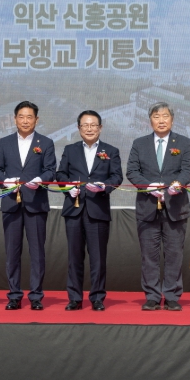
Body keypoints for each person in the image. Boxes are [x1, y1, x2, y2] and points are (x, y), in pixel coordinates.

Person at [126, 102, 190, 311]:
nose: (161, 120)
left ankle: (172, 295)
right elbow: (132, 171)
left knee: (174, 254)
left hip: (175, 207)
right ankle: (152, 296)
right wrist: (148, 186)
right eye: (156, 116)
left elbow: (187, 170)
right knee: (149, 255)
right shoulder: (140, 143)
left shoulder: (183, 142)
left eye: (165, 116)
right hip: (147, 207)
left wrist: (177, 184)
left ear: (172, 119)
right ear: (150, 121)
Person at [56, 110, 123, 311]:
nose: (89, 128)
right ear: (79, 128)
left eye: (93, 125)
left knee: (98, 258)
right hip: (74, 209)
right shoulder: (70, 149)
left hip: (98, 209)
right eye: (85, 125)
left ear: (100, 128)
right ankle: (75, 298)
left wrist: (104, 186)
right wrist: (68, 187)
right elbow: (61, 174)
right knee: (74, 257)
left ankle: (97, 298)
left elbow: (117, 177)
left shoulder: (111, 150)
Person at [0, 101, 56, 310]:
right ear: (15, 119)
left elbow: (50, 170)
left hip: (36, 204)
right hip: (11, 203)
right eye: (21, 116)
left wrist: (40, 180)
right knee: (12, 252)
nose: (25, 121)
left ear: (36, 120)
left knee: (37, 252)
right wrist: (5, 182)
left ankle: (36, 296)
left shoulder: (45, 142)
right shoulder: (4, 142)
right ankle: (14, 295)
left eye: (30, 117)